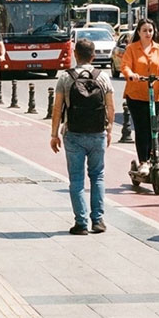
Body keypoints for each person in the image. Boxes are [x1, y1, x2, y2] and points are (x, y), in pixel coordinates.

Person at [51, 38, 114, 235]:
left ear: (75, 54)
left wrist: (54, 134)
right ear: (93, 56)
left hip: (73, 134)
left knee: (76, 179)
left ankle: (81, 223)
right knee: (98, 176)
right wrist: (109, 129)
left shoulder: (65, 77)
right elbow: (110, 106)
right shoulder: (102, 77)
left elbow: (57, 108)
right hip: (97, 133)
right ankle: (98, 220)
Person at [120, 18, 159, 174]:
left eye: (150, 30)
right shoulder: (132, 49)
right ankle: (143, 161)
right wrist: (131, 75)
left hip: (154, 95)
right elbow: (125, 66)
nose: (148, 33)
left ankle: (152, 156)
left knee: (153, 128)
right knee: (142, 128)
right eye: (145, 31)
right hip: (136, 95)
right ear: (139, 32)